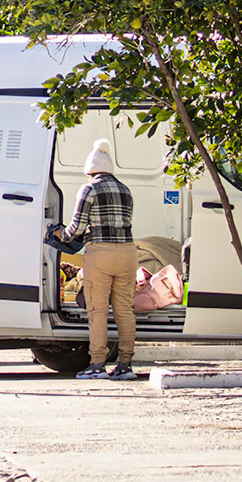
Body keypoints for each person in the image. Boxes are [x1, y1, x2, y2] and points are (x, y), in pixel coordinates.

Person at [65, 137, 138, 380]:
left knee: (97, 311)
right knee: (124, 311)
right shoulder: (125, 190)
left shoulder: (89, 189)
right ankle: (125, 365)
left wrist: (58, 234)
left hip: (100, 254)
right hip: (128, 253)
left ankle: (97, 364)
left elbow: (76, 228)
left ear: (90, 171)